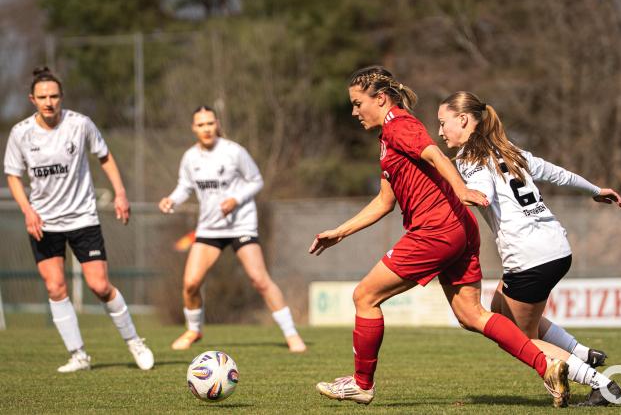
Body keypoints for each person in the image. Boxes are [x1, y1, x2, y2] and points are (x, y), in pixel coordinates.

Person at [310, 66, 574, 408]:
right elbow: (384, 202)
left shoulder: (399, 125)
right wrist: (340, 233)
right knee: (471, 314)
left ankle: (361, 384)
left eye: (358, 103)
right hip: (459, 229)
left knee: (365, 297)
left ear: (380, 98)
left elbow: (434, 154)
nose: (354, 111)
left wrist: (461, 187)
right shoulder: (388, 138)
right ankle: (547, 366)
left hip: (435, 230)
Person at [437, 91, 621, 405]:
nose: (440, 131)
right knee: (498, 312)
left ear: (464, 120)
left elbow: (480, 192)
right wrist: (594, 189)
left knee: (520, 338)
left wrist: (461, 194)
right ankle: (581, 353)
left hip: (530, 257)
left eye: (443, 123)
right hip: (555, 247)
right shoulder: (507, 149)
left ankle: (602, 385)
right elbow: (554, 172)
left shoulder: (469, 158)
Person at [3, 67, 154, 372]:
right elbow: (13, 176)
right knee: (56, 287)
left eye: (54, 96)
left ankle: (135, 341)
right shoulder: (20, 133)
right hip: (44, 222)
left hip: (83, 217)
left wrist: (121, 193)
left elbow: (105, 157)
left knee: (99, 285)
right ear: (32, 99)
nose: (49, 102)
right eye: (43, 97)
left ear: (62, 97)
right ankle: (79, 355)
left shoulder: (80, 124)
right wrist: (27, 210)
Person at [159, 106, 306, 353]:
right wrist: (172, 199)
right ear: (193, 128)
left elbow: (256, 180)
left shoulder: (234, 151)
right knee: (191, 283)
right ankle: (194, 330)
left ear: (217, 124)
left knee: (259, 280)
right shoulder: (190, 158)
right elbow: (184, 187)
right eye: (200, 125)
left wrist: (236, 200)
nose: (206, 129)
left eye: (209, 123)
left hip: (241, 224)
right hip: (209, 228)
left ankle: (292, 335)